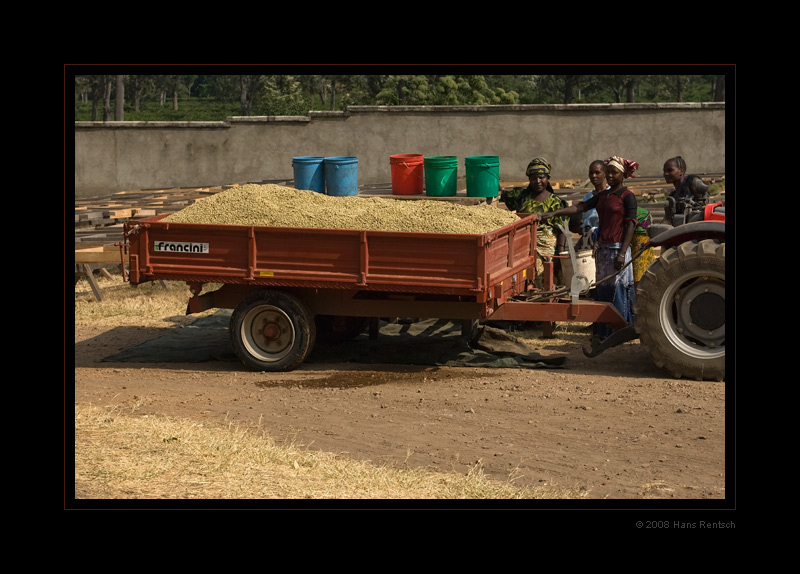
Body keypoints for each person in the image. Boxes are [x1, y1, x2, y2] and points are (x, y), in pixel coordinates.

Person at [537, 156, 639, 343]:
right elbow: (580, 207)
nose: (609, 176)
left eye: (613, 172)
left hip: (617, 249)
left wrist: (622, 253)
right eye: (608, 172)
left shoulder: (627, 196)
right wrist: (555, 212)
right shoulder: (603, 196)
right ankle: (602, 332)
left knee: (618, 290)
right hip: (602, 251)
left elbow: (630, 225)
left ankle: (621, 331)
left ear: (622, 175)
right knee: (602, 290)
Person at [500, 157, 573, 283]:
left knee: (545, 281)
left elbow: (562, 232)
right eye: (534, 178)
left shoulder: (556, 203)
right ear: (529, 179)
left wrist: (558, 256)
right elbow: (502, 195)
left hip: (547, 251)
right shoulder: (521, 197)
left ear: (548, 178)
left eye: (541, 177)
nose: (538, 181)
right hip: (522, 248)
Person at [575, 160, 608, 250]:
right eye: (591, 173)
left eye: (597, 173)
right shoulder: (587, 197)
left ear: (605, 174)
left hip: (605, 240)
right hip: (589, 239)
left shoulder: (610, 194)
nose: (594, 176)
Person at [631, 206, 654, 289]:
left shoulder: (629, 212)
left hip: (640, 235)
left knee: (638, 267)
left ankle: (639, 293)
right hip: (645, 235)